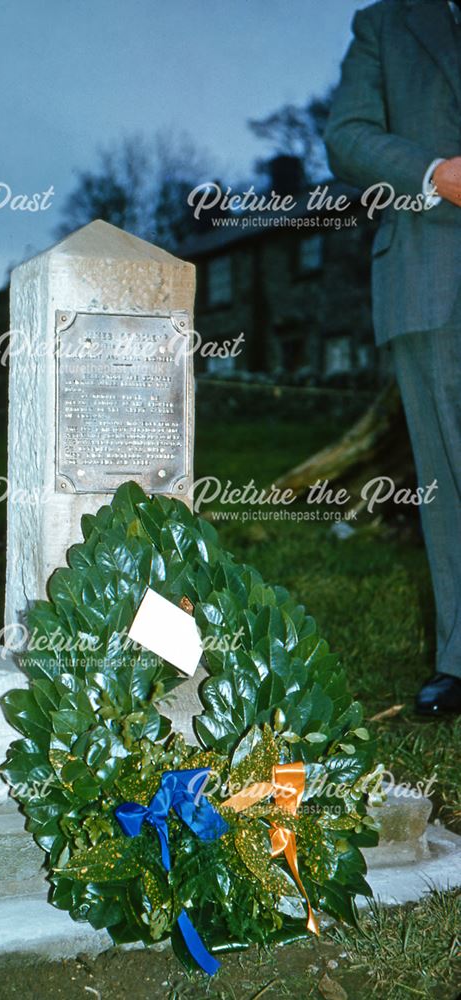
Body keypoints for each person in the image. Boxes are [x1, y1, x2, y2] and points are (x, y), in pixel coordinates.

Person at [324, 0, 461, 715]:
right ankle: (459, 659)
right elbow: (345, 136)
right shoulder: (386, 22)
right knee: (449, 475)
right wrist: (432, 172)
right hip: (433, 271)